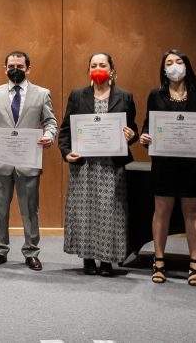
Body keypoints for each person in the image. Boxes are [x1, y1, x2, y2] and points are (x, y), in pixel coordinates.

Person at [140, 49, 196, 286]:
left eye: (178, 61)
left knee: (192, 212)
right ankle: (159, 261)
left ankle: (195, 263)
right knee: (161, 211)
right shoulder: (155, 94)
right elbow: (148, 125)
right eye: (169, 63)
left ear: (186, 66)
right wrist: (145, 136)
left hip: (192, 164)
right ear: (164, 69)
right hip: (163, 164)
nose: (174, 66)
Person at [0, 50, 57, 271]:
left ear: (28, 69)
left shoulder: (42, 94)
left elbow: (50, 122)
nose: (15, 70)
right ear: (5, 69)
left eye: (20, 66)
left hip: (28, 161)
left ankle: (31, 252)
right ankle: (0, 250)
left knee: (30, 210)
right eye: (11, 66)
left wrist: (49, 135)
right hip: (0, 161)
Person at [58, 53, 138, 276]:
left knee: (109, 212)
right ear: (88, 70)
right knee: (85, 211)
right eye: (93, 65)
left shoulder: (125, 96)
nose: (98, 69)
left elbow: (132, 128)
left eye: (102, 65)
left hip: (111, 166)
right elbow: (66, 129)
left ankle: (107, 260)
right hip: (84, 166)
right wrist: (66, 152)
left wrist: (131, 135)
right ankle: (88, 258)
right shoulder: (77, 95)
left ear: (111, 70)